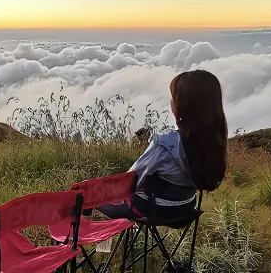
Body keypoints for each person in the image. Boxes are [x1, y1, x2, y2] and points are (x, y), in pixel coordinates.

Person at [98, 69, 228, 219]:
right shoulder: (213, 141)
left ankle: (83, 235)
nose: (171, 101)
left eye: (174, 97)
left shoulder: (166, 143)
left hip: (151, 209)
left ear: (185, 105)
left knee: (86, 198)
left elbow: (131, 180)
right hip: (186, 208)